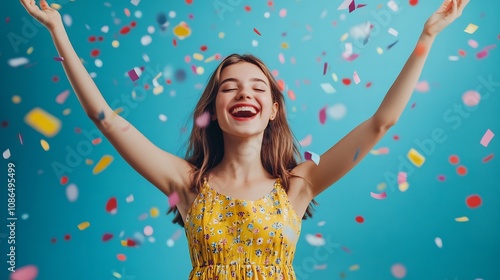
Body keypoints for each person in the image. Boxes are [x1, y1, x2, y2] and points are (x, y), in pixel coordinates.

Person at [20, 0, 470, 279]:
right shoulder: (187, 183)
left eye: (258, 88)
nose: (244, 94)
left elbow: (380, 124)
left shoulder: (299, 185)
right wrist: (57, 29)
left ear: (273, 109)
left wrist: (426, 37)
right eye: (229, 87)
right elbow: (105, 119)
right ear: (213, 111)